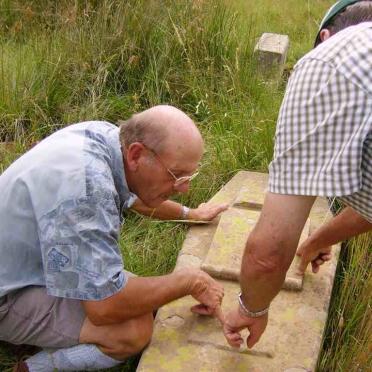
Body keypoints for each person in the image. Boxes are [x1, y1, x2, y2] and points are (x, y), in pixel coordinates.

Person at [0, 105, 227, 372]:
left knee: (142, 300)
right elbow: (104, 307)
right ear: (136, 155)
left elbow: (134, 197)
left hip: (23, 267)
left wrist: (191, 214)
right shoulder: (86, 192)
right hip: (9, 295)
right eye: (176, 176)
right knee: (134, 330)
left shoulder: (106, 139)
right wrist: (190, 281)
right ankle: (32, 368)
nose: (185, 189)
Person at [223, 0, 372, 349]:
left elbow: (269, 252)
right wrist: (318, 240)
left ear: (325, 36)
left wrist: (251, 308)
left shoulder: (332, 61)